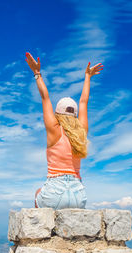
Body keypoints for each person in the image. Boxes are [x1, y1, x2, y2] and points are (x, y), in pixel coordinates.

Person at [25, 52, 103, 209]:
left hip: (54, 191)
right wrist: (88, 77)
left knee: (37, 193)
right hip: (78, 196)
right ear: (74, 115)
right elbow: (83, 102)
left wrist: (37, 73)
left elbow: (45, 97)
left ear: (57, 114)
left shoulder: (54, 129)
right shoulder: (81, 131)